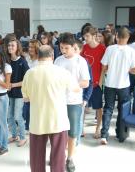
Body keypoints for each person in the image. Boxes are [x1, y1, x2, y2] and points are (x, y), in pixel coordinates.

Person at [22, 45, 81, 172]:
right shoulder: (62, 72)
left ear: (38, 56)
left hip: (38, 120)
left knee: (36, 158)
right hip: (58, 120)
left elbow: (26, 98)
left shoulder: (29, 73)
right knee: (58, 158)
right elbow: (76, 89)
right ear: (52, 56)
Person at [55, 33, 90, 172]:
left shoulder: (80, 61)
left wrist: (70, 84)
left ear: (73, 47)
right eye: (61, 48)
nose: (63, 51)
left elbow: (86, 82)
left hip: (74, 101)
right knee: (59, 130)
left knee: (73, 132)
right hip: (58, 101)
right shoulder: (57, 60)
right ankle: (59, 156)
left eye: (66, 48)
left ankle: (70, 158)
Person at [100, 27, 135, 145]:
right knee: (122, 109)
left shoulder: (110, 49)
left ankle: (104, 135)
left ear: (116, 36)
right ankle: (120, 135)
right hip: (124, 85)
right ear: (128, 38)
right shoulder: (132, 51)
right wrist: (126, 69)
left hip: (110, 84)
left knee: (108, 109)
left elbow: (104, 68)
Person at [81, 26, 106, 139]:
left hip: (96, 83)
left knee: (98, 107)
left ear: (94, 36)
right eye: (84, 36)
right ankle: (80, 128)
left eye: (87, 36)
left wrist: (100, 83)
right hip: (85, 83)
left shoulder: (102, 49)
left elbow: (104, 68)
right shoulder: (84, 48)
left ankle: (97, 129)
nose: (85, 38)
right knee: (82, 106)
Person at [6, 39, 29, 147]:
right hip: (10, 93)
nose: (10, 47)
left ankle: (23, 137)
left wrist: (13, 85)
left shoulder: (22, 61)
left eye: (12, 45)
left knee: (17, 116)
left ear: (17, 47)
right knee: (9, 116)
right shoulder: (7, 61)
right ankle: (14, 135)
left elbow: (27, 80)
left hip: (19, 94)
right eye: (9, 45)